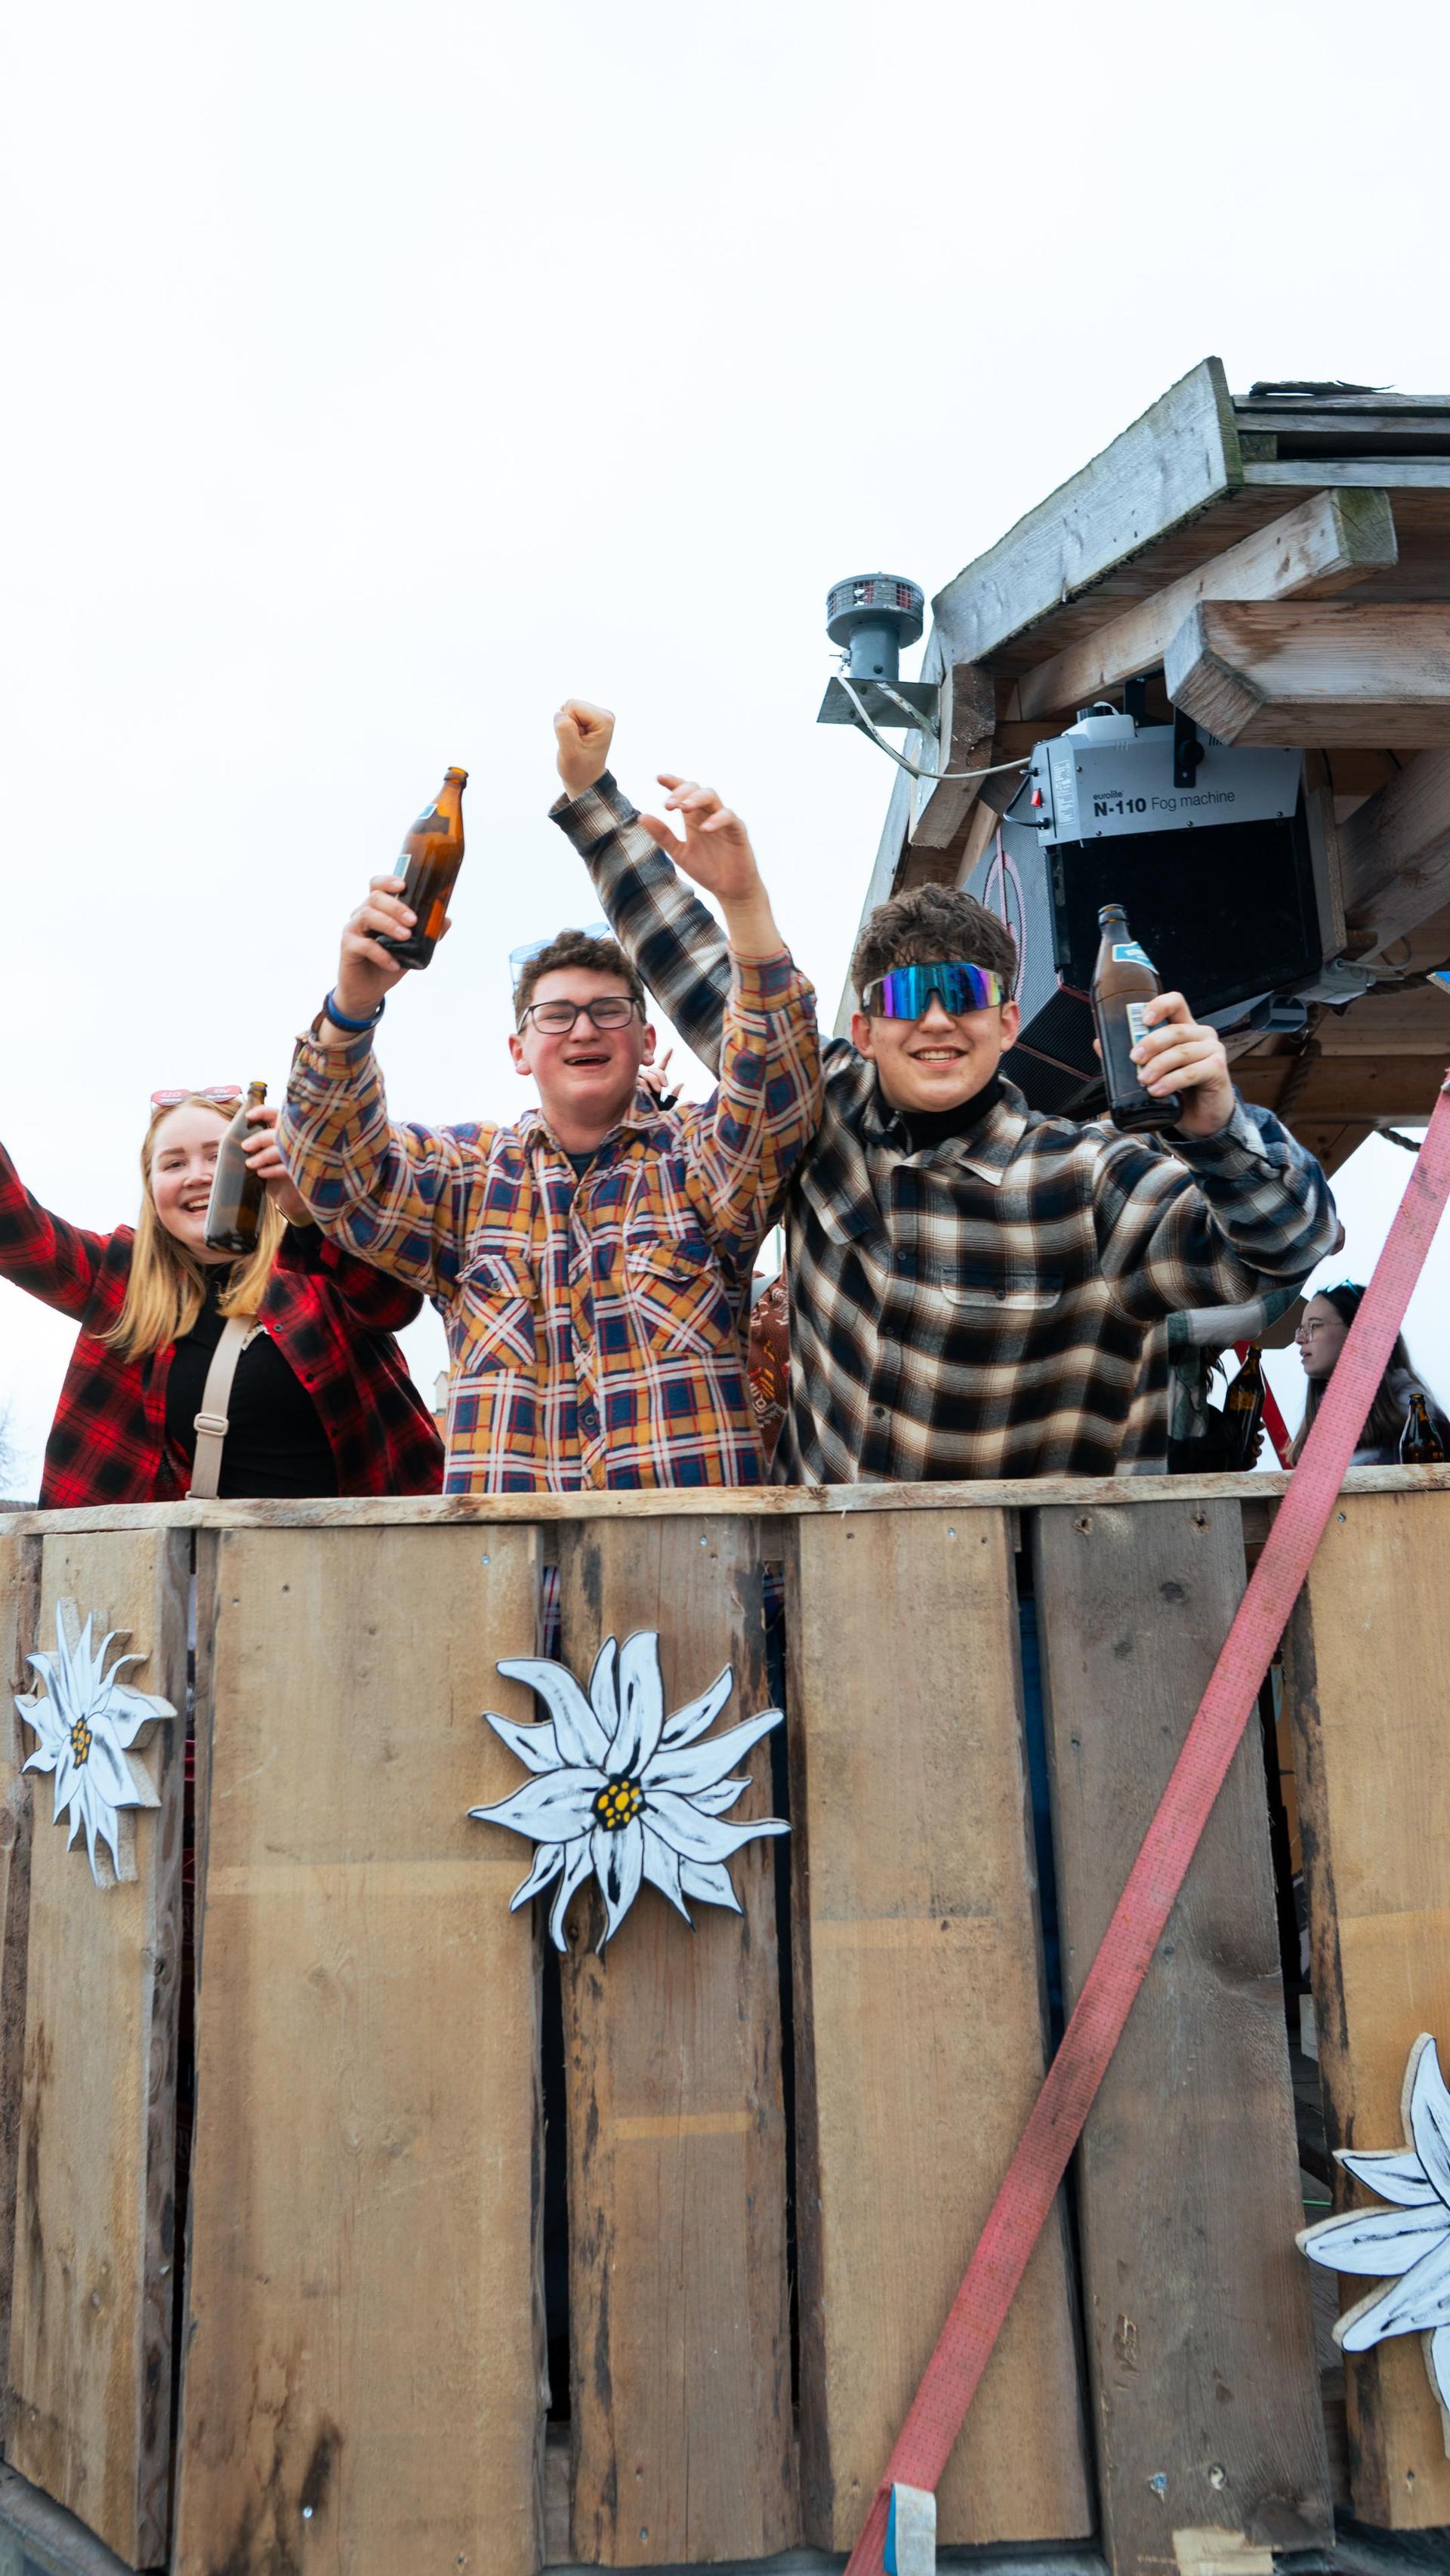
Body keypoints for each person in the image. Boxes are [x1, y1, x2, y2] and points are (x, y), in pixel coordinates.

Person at [549, 700, 1340, 1481]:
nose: (935, 1021)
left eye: (961, 995)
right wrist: (595, 799)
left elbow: (1278, 1252)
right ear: (864, 1031)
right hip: (829, 1587)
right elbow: (698, 969)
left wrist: (1218, 1125)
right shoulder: (821, 1112)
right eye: (903, 998)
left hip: (1031, 1594)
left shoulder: (1089, 1179)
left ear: (1004, 1022)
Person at [277, 761, 821, 1493]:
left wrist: (743, 900)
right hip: (512, 1594)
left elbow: (781, 1094)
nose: (583, 1029)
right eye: (555, 1015)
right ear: (519, 1051)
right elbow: (334, 1175)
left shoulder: (701, 1162)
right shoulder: (468, 1177)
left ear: (648, 1040)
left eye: (609, 1010)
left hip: (696, 1578)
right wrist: (350, 1007)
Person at [0, 1091, 443, 1508]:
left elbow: (394, 1303)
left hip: (352, 1559)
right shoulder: (121, 1275)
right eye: (174, 1164)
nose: (199, 1175)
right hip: (196, 1574)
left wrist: (309, 1209)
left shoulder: (321, 1258)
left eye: (219, 1156)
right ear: (151, 1189)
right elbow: (18, 1232)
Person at [1288, 1281, 1450, 1465]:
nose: (1299, 1339)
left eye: (1314, 1326)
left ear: (1359, 1332)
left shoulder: (1417, 1418)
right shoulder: (1325, 1426)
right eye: (1300, 1329)